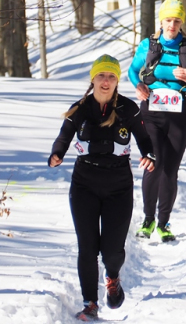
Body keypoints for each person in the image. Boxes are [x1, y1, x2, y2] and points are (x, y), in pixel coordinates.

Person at [48, 55, 156, 322]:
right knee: (87, 247)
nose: (106, 82)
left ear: (117, 81)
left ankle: (113, 276)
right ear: (93, 79)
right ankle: (90, 304)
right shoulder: (80, 109)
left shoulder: (128, 108)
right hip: (84, 184)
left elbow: (144, 139)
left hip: (118, 186)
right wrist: (56, 154)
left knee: (112, 251)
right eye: (101, 76)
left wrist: (149, 155)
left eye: (111, 77)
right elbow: (63, 137)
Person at [128, 0, 186, 242]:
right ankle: (147, 220)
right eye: (168, 20)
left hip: (178, 115)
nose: (172, 25)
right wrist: (138, 86)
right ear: (161, 21)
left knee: (170, 170)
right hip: (150, 111)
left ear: (181, 22)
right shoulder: (149, 45)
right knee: (152, 163)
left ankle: (163, 223)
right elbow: (133, 71)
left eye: (176, 21)